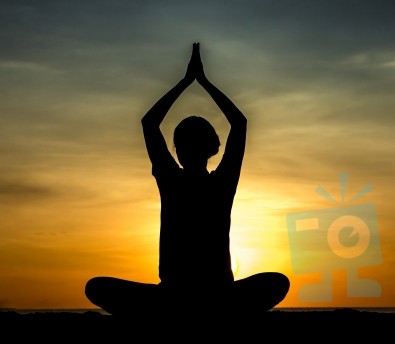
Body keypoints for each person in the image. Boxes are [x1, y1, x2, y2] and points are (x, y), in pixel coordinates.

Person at [85, 43, 290, 319]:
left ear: (197, 149)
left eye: (185, 145)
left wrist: (190, 81)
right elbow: (238, 124)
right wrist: (197, 81)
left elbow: (151, 123)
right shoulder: (197, 181)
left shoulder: (197, 181)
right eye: (183, 145)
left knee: (277, 282)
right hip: (186, 293)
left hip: (195, 294)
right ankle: (216, 313)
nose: (183, 151)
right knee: (96, 287)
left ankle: (175, 313)